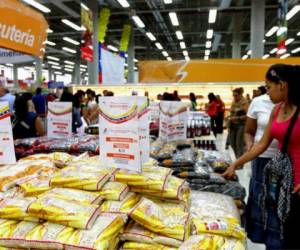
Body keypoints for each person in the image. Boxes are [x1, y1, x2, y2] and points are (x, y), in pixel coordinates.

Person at [223, 64, 300, 249]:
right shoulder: (277, 110)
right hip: (284, 179)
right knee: (278, 229)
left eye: (269, 87)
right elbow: (262, 144)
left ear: (282, 85)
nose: (267, 92)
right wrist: (235, 164)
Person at [244, 92, 278, 248]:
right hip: (261, 158)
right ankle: (261, 237)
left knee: (278, 205)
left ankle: (275, 240)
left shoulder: (289, 105)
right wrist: (250, 146)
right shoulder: (258, 102)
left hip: (287, 162)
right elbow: (249, 131)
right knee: (260, 200)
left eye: (270, 86)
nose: (268, 90)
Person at [228, 87, 249, 159]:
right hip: (232, 125)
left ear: (240, 95)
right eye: (233, 95)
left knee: (239, 144)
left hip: (241, 125)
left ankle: (239, 162)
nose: (234, 97)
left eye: (236, 95)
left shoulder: (244, 102)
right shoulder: (234, 101)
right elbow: (232, 112)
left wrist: (237, 118)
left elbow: (248, 116)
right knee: (232, 143)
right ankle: (238, 159)